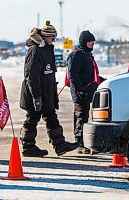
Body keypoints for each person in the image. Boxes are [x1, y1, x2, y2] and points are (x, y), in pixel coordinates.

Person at [19, 21, 79, 157]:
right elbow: (31, 77)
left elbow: (48, 73)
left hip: (46, 93)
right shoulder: (35, 51)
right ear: (45, 37)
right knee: (32, 118)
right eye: (52, 38)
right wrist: (37, 97)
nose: (54, 41)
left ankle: (60, 145)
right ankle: (28, 146)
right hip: (35, 94)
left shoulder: (47, 49)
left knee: (51, 116)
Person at [67, 30, 106, 154]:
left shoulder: (87, 55)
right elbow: (73, 75)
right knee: (81, 117)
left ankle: (88, 143)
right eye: (90, 42)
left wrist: (104, 81)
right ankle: (80, 144)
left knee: (86, 116)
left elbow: (92, 75)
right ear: (84, 42)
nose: (92, 45)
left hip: (89, 91)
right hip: (80, 92)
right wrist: (80, 90)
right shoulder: (76, 55)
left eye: (93, 42)